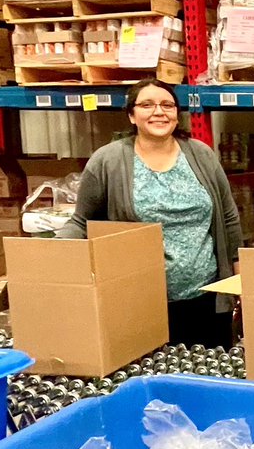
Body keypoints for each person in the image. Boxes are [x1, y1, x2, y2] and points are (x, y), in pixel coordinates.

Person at [59, 78, 242, 349]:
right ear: (132, 115)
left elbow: (228, 217)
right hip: (139, 300)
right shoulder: (108, 161)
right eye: (147, 105)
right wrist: (52, 257)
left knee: (206, 377)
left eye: (167, 105)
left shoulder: (201, 155)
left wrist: (240, 278)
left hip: (205, 296)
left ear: (177, 116)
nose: (159, 111)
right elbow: (82, 222)